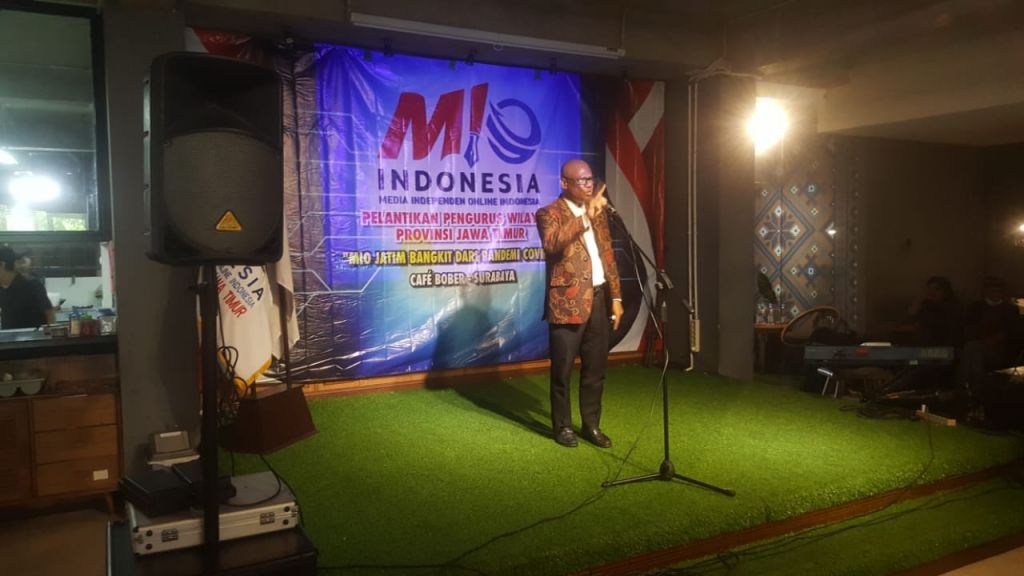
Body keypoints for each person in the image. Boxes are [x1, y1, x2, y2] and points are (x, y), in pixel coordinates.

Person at [536, 159, 623, 448]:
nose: (588, 185)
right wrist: (586, 216)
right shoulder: (549, 213)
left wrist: (616, 297)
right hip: (567, 303)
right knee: (562, 371)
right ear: (564, 183)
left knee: (596, 369)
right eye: (581, 180)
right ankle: (562, 427)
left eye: (590, 180)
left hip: (598, 300)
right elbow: (552, 243)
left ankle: (591, 425)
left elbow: (607, 255)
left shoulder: (598, 214)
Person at [0, 246, 54, 329]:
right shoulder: (2, 287)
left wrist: (50, 333)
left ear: (2, 264)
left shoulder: (32, 284)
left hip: (33, 335)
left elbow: (49, 312)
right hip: (8, 335)